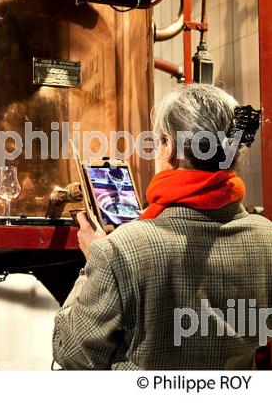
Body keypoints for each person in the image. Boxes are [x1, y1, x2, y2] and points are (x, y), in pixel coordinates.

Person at [52, 84, 272, 370]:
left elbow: (72, 353)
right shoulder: (266, 236)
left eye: (159, 141)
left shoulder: (119, 250)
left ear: (170, 149)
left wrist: (94, 262)